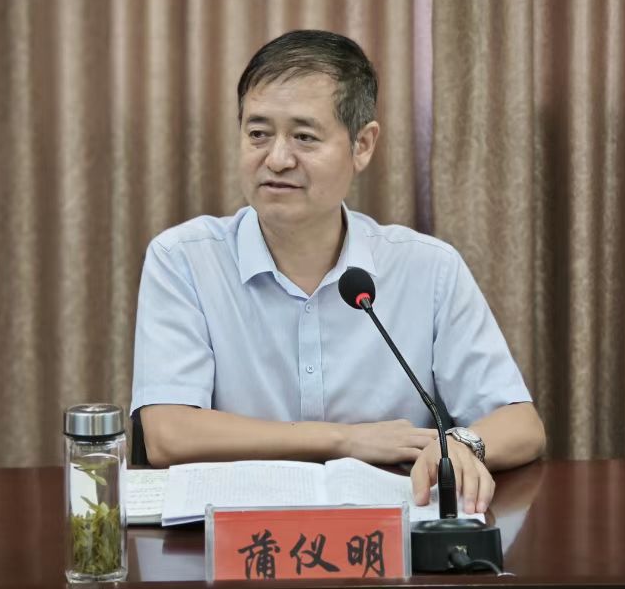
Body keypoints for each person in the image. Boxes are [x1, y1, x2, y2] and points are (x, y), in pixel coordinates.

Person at [130, 30, 545, 515]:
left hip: (388, 539)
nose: (277, 159)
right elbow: (167, 434)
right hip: (235, 539)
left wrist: (458, 445)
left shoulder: (428, 268)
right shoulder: (184, 259)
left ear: (362, 145)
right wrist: (345, 439)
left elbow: (521, 425)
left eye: (304, 137)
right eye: (258, 134)